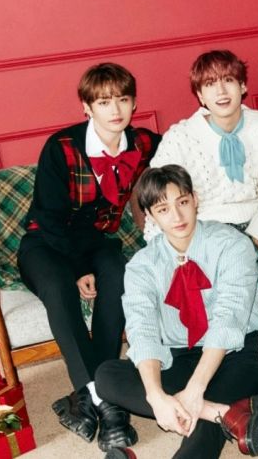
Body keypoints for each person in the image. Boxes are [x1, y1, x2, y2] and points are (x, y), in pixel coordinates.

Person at [17, 62, 160, 450]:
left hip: (95, 241)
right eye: (104, 102)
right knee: (58, 287)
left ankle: (92, 393)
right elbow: (47, 219)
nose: (115, 110)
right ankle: (106, 401)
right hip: (45, 244)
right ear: (87, 107)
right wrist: (78, 270)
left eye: (123, 100)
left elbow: (183, 146)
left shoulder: (143, 143)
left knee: (119, 272)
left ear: (134, 103)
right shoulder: (61, 147)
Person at [95, 165, 258, 458]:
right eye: (163, 209)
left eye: (183, 202)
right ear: (150, 215)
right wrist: (156, 397)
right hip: (180, 354)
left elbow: (229, 319)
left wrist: (195, 390)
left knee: (203, 419)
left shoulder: (233, 244)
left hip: (239, 351)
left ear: (195, 199)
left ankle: (210, 408)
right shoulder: (142, 265)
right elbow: (142, 329)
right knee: (106, 376)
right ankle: (224, 412)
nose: (177, 217)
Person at [149, 49, 258, 278]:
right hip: (211, 225)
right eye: (210, 84)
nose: (221, 91)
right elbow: (156, 195)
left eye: (228, 80)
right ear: (200, 96)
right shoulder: (180, 137)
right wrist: (161, 251)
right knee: (244, 253)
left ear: (242, 87)